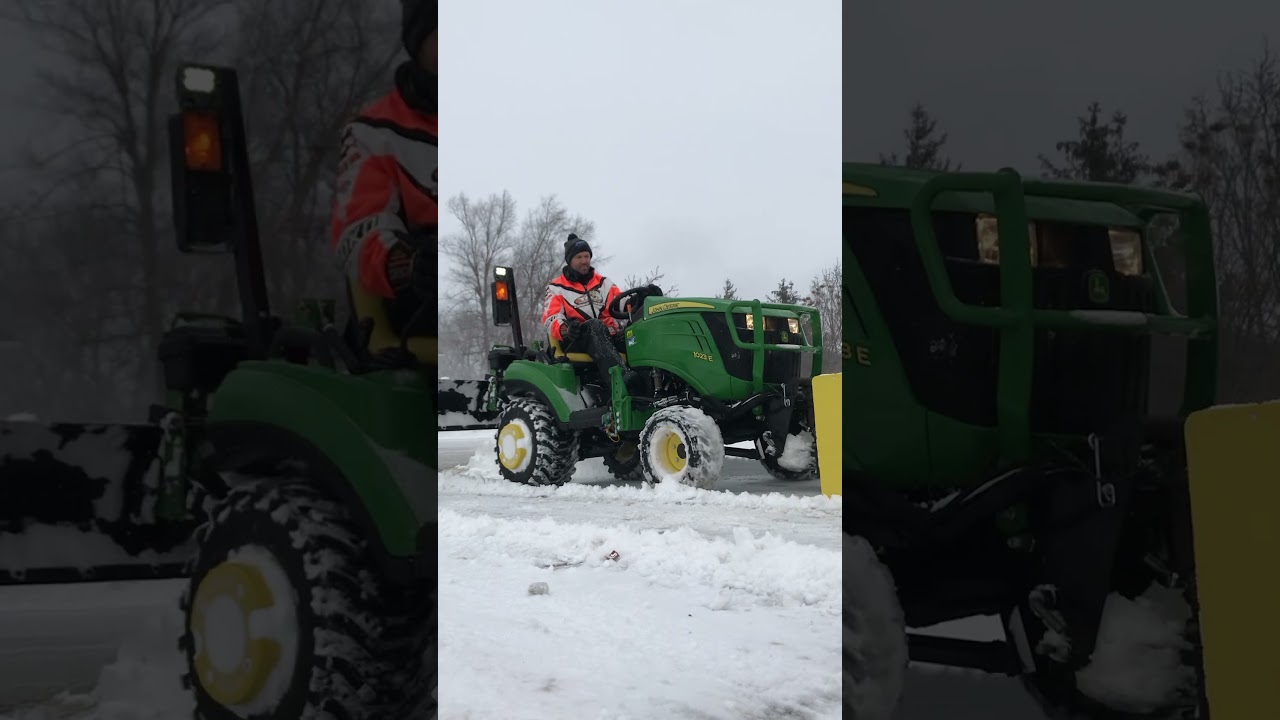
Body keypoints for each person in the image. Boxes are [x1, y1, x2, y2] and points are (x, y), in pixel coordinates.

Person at [330, 0, 437, 339]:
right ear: (419, 41)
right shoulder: (376, 131)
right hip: (415, 313)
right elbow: (360, 230)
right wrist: (410, 264)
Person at [542, 234, 632, 395]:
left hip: (608, 337)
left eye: (586, 256)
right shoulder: (557, 287)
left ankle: (659, 384)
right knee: (595, 326)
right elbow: (550, 318)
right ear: (569, 260)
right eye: (579, 257)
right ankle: (622, 385)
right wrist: (566, 329)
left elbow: (622, 302)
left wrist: (640, 300)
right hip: (577, 338)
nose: (584, 261)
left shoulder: (603, 284)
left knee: (635, 334)